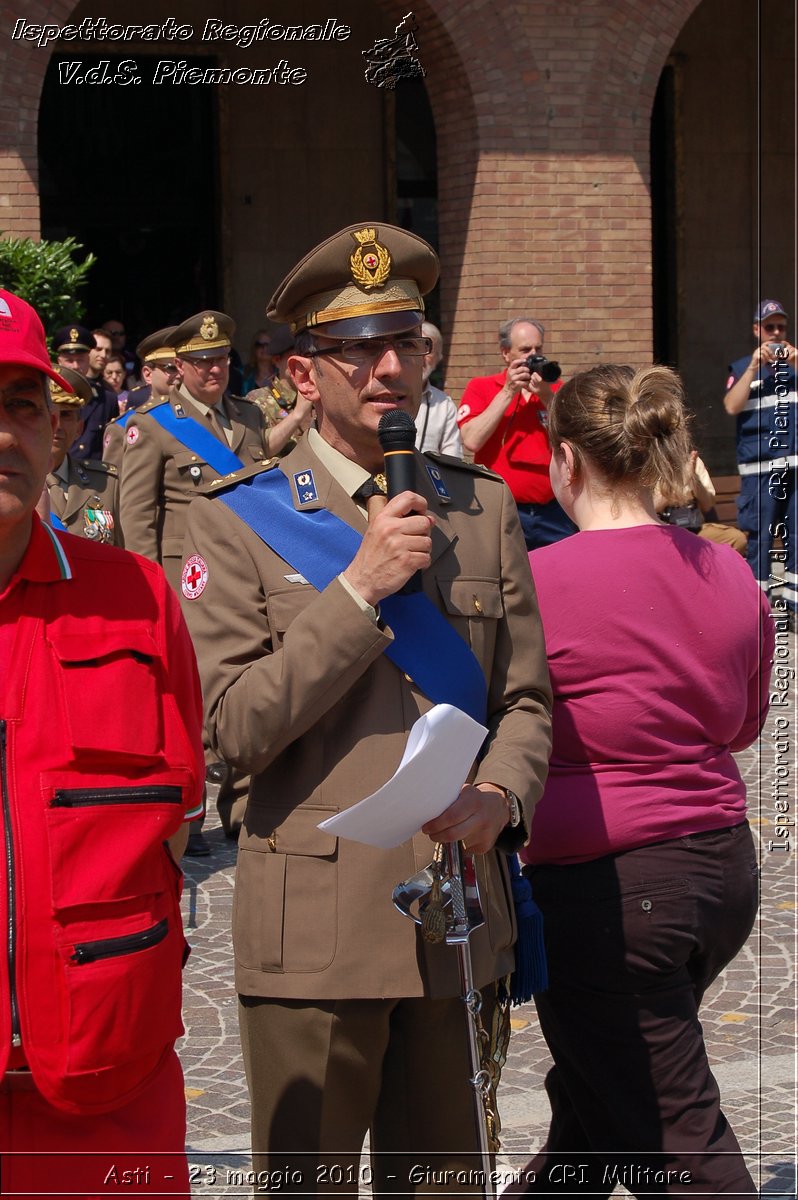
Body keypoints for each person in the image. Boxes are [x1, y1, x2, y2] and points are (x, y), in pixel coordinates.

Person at [179, 221, 553, 1194]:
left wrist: (503, 799)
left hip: (459, 921)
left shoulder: (484, 508)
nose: (390, 368)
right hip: (316, 934)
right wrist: (357, 592)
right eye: (358, 350)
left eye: (409, 344)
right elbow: (229, 730)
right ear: (305, 375)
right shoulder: (236, 520)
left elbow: (526, 700)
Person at [504, 363, 773, 1197]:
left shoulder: (539, 585)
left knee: (672, 1136)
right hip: (717, 870)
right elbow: (742, 725)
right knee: (599, 1094)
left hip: (615, 892)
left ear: (567, 463)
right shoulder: (727, 570)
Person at [0, 287, 205, 1195]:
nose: (4, 434)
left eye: (20, 405)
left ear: (56, 424)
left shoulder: (135, 596)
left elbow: (176, 820)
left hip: (103, 1080)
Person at [119, 310, 272, 853]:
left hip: (250, 573)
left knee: (250, 680)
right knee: (193, 694)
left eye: (221, 359)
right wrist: (149, 591)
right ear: (179, 367)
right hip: (188, 580)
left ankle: (243, 800)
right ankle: (189, 815)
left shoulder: (249, 418)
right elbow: (138, 516)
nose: (214, 369)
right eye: (202, 361)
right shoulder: (156, 424)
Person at [457, 317, 576, 549]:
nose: (533, 356)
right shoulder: (481, 387)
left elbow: (573, 436)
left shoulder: (557, 389)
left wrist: (546, 397)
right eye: (524, 350)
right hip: (501, 510)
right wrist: (508, 391)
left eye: (538, 349)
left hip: (553, 512)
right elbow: (471, 440)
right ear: (505, 353)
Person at [724, 298, 797, 623]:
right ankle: (758, 609)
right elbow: (730, 406)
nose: (777, 333)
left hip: (794, 471)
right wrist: (754, 366)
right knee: (763, 540)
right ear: (757, 330)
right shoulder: (741, 368)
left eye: (781, 327)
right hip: (761, 473)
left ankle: (793, 608)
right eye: (770, 327)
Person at [46, 365, 121, 545]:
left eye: (66, 415)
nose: (57, 425)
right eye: (49, 414)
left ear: (79, 428)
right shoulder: (11, 481)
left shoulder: (107, 483)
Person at [102, 327, 178, 470]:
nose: (179, 374)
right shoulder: (122, 428)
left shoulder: (200, 417)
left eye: (182, 367)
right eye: (171, 368)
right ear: (148, 375)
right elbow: (113, 486)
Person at [654, 447, 747, 554]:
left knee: (737, 539)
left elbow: (707, 505)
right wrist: (681, 483)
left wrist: (694, 478)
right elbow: (655, 506)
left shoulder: (693, 461)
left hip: (694, 528)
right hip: (665, 530)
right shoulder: (651, 463)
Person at [52, 324, 119, 461]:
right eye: (69, 360)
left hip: (91, 477)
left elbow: (112, 445)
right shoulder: (45, 395)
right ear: (59, 361)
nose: (75, 366)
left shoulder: (107, 399)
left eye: (80, 360)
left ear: (88, 360)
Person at [415, 321, 463, 456]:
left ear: (438, 358)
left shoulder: (445, 405)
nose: (421, 358)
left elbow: (452, 460)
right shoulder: (383, 397)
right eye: (417, 349)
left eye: (429, 351)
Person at [241, 328, 274, 394]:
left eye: (268, 345)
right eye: (259, 345)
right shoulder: (244, 373)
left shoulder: (280, 372)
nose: (264, 348)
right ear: (254, 348)